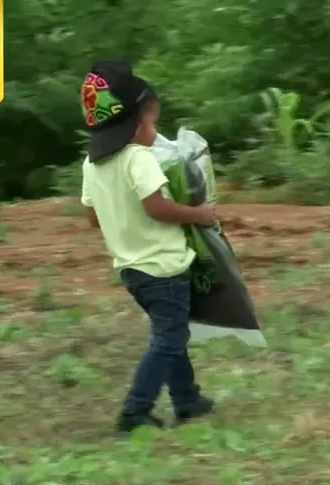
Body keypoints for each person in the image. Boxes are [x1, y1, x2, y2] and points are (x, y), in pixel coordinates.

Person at [79, 60, 216, 432]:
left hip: (131, 269)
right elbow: (156, 207)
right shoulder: (139, 158)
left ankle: (188, 400)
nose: (155, 132)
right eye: (153, 122)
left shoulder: (93, 165)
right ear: (134, 123)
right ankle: (135, 412)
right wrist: (198, 214)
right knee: (169, 340)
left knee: (172, 335)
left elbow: (92, 217)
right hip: (164, 266)